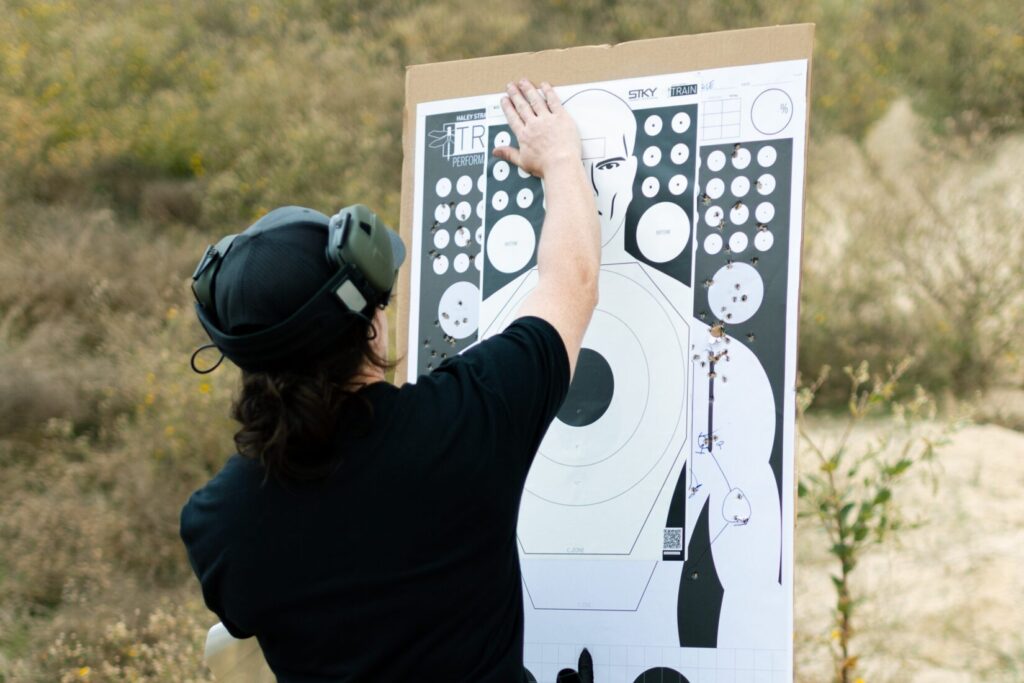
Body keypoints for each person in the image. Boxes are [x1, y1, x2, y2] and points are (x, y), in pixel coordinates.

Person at [179, 78, 600, 681]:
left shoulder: (217, 524)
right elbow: (571, 284)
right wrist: (560, 158)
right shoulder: (468, 421)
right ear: (371, 326)